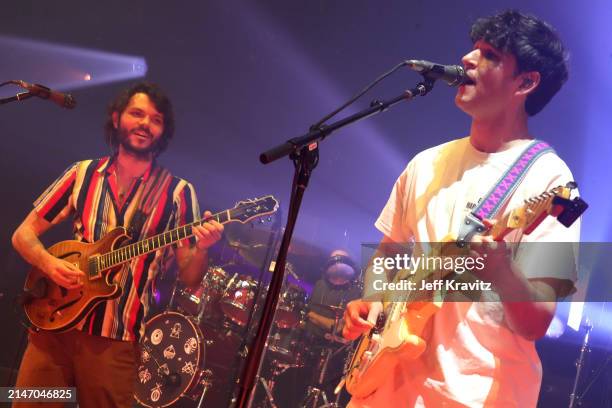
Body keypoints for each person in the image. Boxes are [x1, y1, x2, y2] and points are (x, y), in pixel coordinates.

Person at [343, 10, 581, 407]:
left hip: (469, 395)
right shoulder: (426, 163)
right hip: (381, 388)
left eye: (489, 55)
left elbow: (537, 322)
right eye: (473, 49)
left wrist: (502, 270)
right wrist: (372, 298)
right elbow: (387, 254)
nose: (468, 59)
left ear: (526, 81)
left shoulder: (557, 186)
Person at [11, 82, 224, 407]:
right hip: (51, 329)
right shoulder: (82, 173)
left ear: (163, 131)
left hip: (115, 343)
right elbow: (22, 235)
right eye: (136, 114)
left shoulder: (178, 194)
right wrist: (48, 263)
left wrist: (205, 247)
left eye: (155, 119)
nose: (145, 124)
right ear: (116, 118)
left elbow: (191, 276)